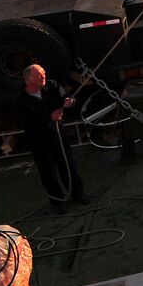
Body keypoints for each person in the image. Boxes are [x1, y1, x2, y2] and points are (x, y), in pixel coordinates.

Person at [16, 65, 88, 214]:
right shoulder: (21, 99)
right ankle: (57, 202)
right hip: (38, 140)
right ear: (28, 80)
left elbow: (66, 97)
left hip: (57, 134)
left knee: (68, 164)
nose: (44, 78)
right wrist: (49, 117)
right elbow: (29, 121)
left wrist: (69, 101)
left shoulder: (52, 85)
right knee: (47, 170)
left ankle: (77, 194)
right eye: (39, 76)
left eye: (44, 74)